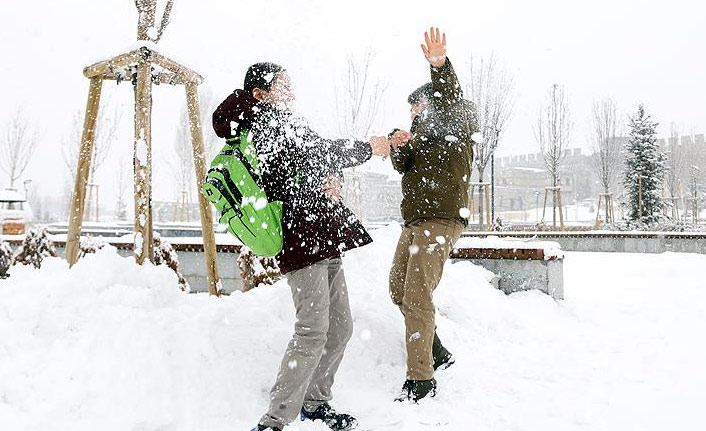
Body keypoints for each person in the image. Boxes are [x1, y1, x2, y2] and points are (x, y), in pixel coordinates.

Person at [212, 63, 390, 431]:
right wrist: (365, 149)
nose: (291, 90)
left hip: (322, 235)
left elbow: (314, 161)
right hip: (300, 239)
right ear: (261, 93)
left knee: (340, 327)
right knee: (312, 328)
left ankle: (316, 402)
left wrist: (332, 179)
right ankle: (274, 420)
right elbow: (314, 155)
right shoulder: (263, 125)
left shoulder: (286, 121)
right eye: (282, 85)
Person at [387, 28, 476, 402]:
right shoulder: (420, 139)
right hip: (416, 222)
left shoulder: (455, 124)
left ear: (434, 104)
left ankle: (421, 379)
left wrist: (439, 65)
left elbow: (450, 98)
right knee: (398, 289)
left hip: (440, 221)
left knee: (418, 296)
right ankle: (436, 350)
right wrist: (396, 143)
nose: (414, 113)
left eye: (418, 107)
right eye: (411, 109)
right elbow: (401, 165)